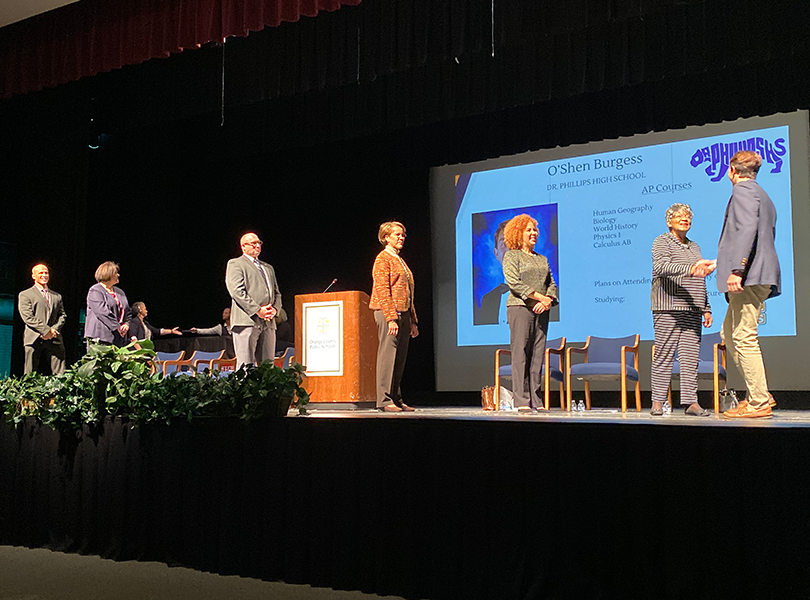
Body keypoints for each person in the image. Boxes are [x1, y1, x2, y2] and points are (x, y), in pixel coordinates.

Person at [714, 150, 781, 419]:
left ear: (732, 171)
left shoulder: (742, 192)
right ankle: (758, 392)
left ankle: (759, 401)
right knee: (728, 335)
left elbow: (746, 232)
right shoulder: (762, 195)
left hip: (750, 275)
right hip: (755, 272)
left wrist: (736, 269)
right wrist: (718, 264)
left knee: (743, 337)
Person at [649, 204, 714, 417]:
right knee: (664, 355)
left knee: (689, 358)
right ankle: (658, 401)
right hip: (667, 307)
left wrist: (706, 308)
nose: (684, 219)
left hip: (692, 310)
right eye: (679, 217)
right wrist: (691, 269)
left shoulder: (694, 247)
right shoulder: (661, 242)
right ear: (669, 222)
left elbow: (700, 280)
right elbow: (661, 267)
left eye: (687, 217)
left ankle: (690, 402)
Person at [502, 214, 558, 412]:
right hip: (519, 307)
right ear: (518, 233)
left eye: (535, 230)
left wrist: (548, 300)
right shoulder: (512, 256)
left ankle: (536, 399)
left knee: (537, 356)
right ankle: (522, 400)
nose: (533, 233)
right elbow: (514, 282)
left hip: (542, 310)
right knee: (521, 354)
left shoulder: (542, 259)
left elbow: (551, 283)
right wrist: (539, 298)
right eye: (528, 230)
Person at [369, 221, 418, 412]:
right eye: (397, 235)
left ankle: (396, 398)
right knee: (388, 355)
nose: (401, 238)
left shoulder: (399, 260)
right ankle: (384, 399)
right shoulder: (383, 258)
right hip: (387, 312)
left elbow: (408, 293)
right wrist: (390, 317)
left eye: (403, 234)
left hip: (403, 313)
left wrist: (413, 320)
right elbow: (382, 290)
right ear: (386, 237)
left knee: (400, 357)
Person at [225, 232, 281, 369]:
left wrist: (274, 309)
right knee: (246, 366)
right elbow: (236, 291)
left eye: (259, 243)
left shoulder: (268, 267)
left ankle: (267, 391)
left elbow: (277, 293)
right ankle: (243, 391)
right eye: (253, 243)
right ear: (243, 246)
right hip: (246, 322)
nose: (257, 246)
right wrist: (257, 310)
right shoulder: (235, 263)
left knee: (268, 367)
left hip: (268, 322)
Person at [18, 263, 67, 375]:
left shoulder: (56, 296)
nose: (44, 275)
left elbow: (62, 315)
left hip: (54, 338)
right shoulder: (25, 295)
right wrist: (46, 330)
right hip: (34, 337)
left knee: (60, 373)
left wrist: (54, 330)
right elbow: (28, 317)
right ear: (33, 276)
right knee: (30, 372)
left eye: (46, 273)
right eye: (41, 273)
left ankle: (59, 391)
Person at [85, 261, 131, 347]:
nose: (118, 275)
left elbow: (128, 312)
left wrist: (126, 324)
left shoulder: (120, 292)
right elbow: (102, 312)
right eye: (116, 273)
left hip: (118, 339)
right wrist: (118, 327)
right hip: (100, 338)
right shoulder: (95, 290)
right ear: (108, 274)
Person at [474, 220, 510, 325]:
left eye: (515, 243)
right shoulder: (488, 300)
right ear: (496, 253)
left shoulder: (545, 296)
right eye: (504, 243)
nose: (509, 249)